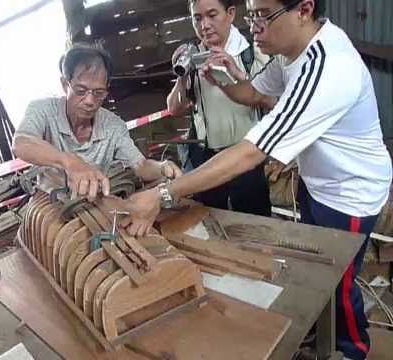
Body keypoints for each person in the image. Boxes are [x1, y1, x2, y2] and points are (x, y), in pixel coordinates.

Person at [122, 1, 392, 359]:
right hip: (318, 184)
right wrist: (223, 76)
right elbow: (251, 93)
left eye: (263, 15)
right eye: (251, 15)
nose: (254, 26)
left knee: (338, 282)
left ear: (304, 10)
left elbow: (251, 151)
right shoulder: (289, 53)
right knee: (315, 271)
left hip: (349, 193)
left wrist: (163, 195)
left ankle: (351, 349)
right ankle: (319, 331)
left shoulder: (327, 67)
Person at [12, 43, 182, 201]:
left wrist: (161, 167)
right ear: (65, 85)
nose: (90, 100)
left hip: (94, 204)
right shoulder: (43, 110)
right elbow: (21, 143)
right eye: (81, 90)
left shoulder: (113, 125)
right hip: (48, 205)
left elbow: (140, 165)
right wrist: (70, 162)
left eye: (99, 92)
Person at [167, 0, 273, 215]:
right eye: (197, 18)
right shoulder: (192, 57)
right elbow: (173, 109)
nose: (204, 25)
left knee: (254, 222)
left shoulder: (251, 51)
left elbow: (270, 99)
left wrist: (236, 72)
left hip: (245, 156)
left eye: (212, 15)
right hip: (206, 158)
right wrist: (181, 77)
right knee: (208, 218)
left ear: (231, 13)